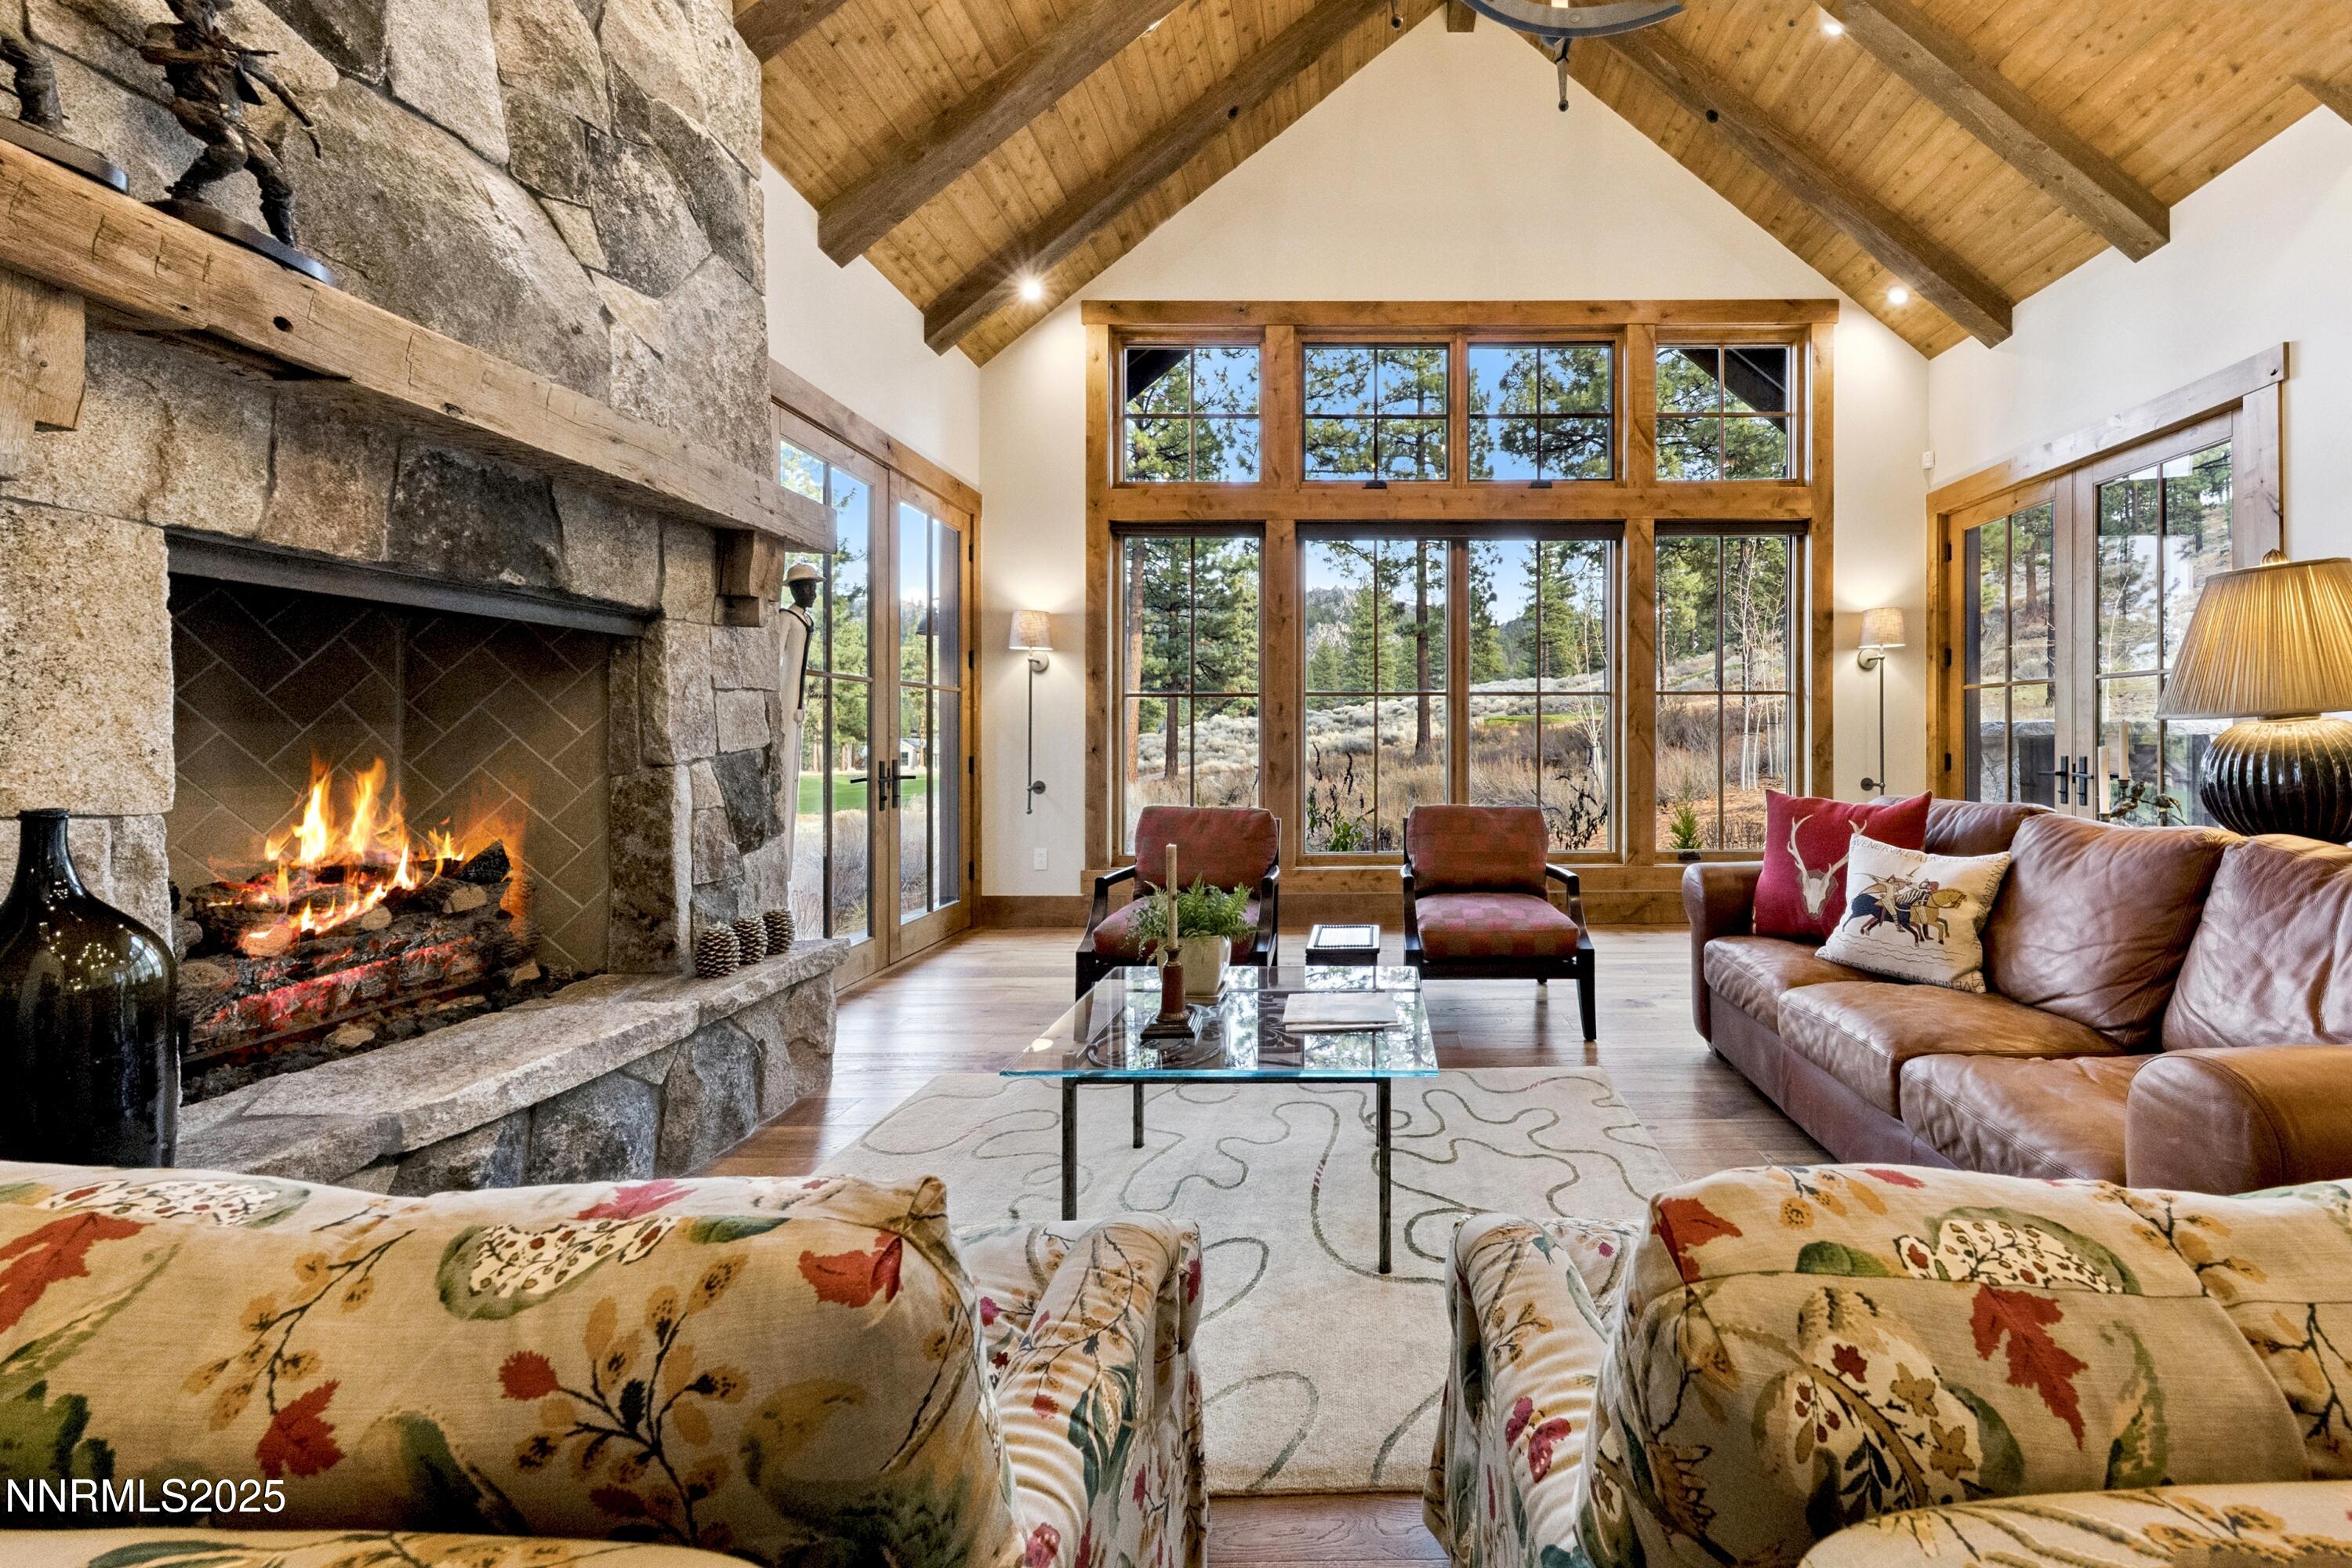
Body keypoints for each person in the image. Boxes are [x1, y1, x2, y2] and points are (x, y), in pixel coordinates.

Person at [141, 0, 320, 248]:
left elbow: (276, 85)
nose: (180, 6)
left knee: (280, 183)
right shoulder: (166, 31)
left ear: (208, 8)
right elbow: (151, 52)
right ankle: (186, 189)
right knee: (234, 152)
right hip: (196, 106)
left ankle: (287, 248)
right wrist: (206, 56)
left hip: (234, 120)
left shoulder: (233, 48)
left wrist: (309, 122)